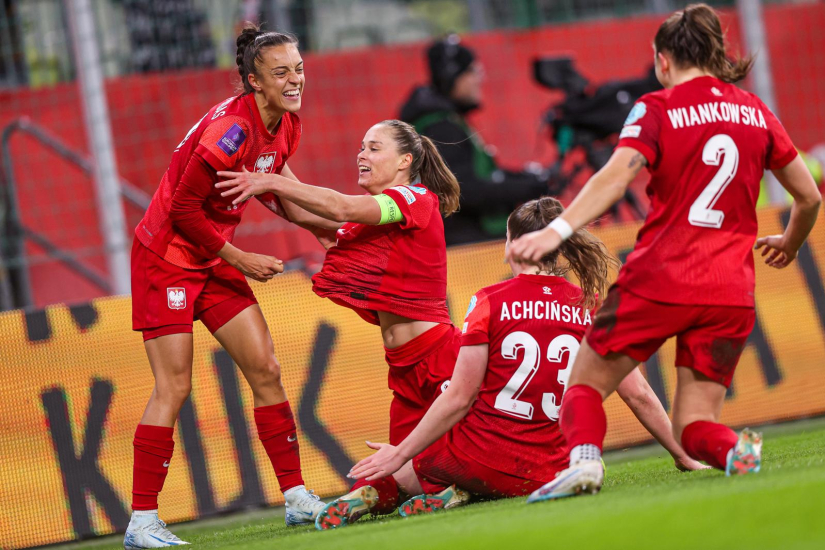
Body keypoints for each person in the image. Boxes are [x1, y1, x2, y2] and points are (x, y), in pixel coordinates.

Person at [508, 3, 821, 503]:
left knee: (584, 383)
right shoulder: (755, 110)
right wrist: (790, 241)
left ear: (662, 61)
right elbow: (809, 197)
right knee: (695, 425)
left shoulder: (657, 108)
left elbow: (618, 172)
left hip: (663, 277)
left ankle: (584, 463)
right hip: (731, 291)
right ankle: (736, 449)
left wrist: (559, 229)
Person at [346, 197, 706, 517]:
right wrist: (681, 454)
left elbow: (460, 397)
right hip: (550, 471)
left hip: (479, 461)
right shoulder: (590, 306)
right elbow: (638, 394)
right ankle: (455, 491)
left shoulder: (489, 300)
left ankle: (440, 489)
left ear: (516, 244)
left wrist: (401, 453)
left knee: (405, 459)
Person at [124, 25, 328, 548]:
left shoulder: (284, 125)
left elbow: (274, 188)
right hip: (167, 258)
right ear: (255, 82)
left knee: (266, 368)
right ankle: (141, 522)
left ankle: (297, 497)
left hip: (211, 259)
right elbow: (182, 210)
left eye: (298, 68)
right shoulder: (231, 130)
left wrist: (331, 230)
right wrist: (240, 257)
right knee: (174, 387)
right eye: (281, 73)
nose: (295, 80)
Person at [215, 119, 463, 529]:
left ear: (405, 160)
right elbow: (304, 214)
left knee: (451, 457)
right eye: (361, 147)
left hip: (441, 359)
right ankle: (381, 494)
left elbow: (339, 206)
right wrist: (271, 155)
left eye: (373, 148)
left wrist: (269, 179)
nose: (361, 155)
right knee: (396, 463)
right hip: (402, 367)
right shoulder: (373, 220)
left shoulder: (414, 198)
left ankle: (450, 490)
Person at [399, 34, 549, 245]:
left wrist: (524, 178)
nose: (479, 78)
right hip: (463, 244)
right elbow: (463, 191)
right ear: (452, 77)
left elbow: (481, 175)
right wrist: (526, 188)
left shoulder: (443, 121)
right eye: (471, 71)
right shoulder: (440, 128)